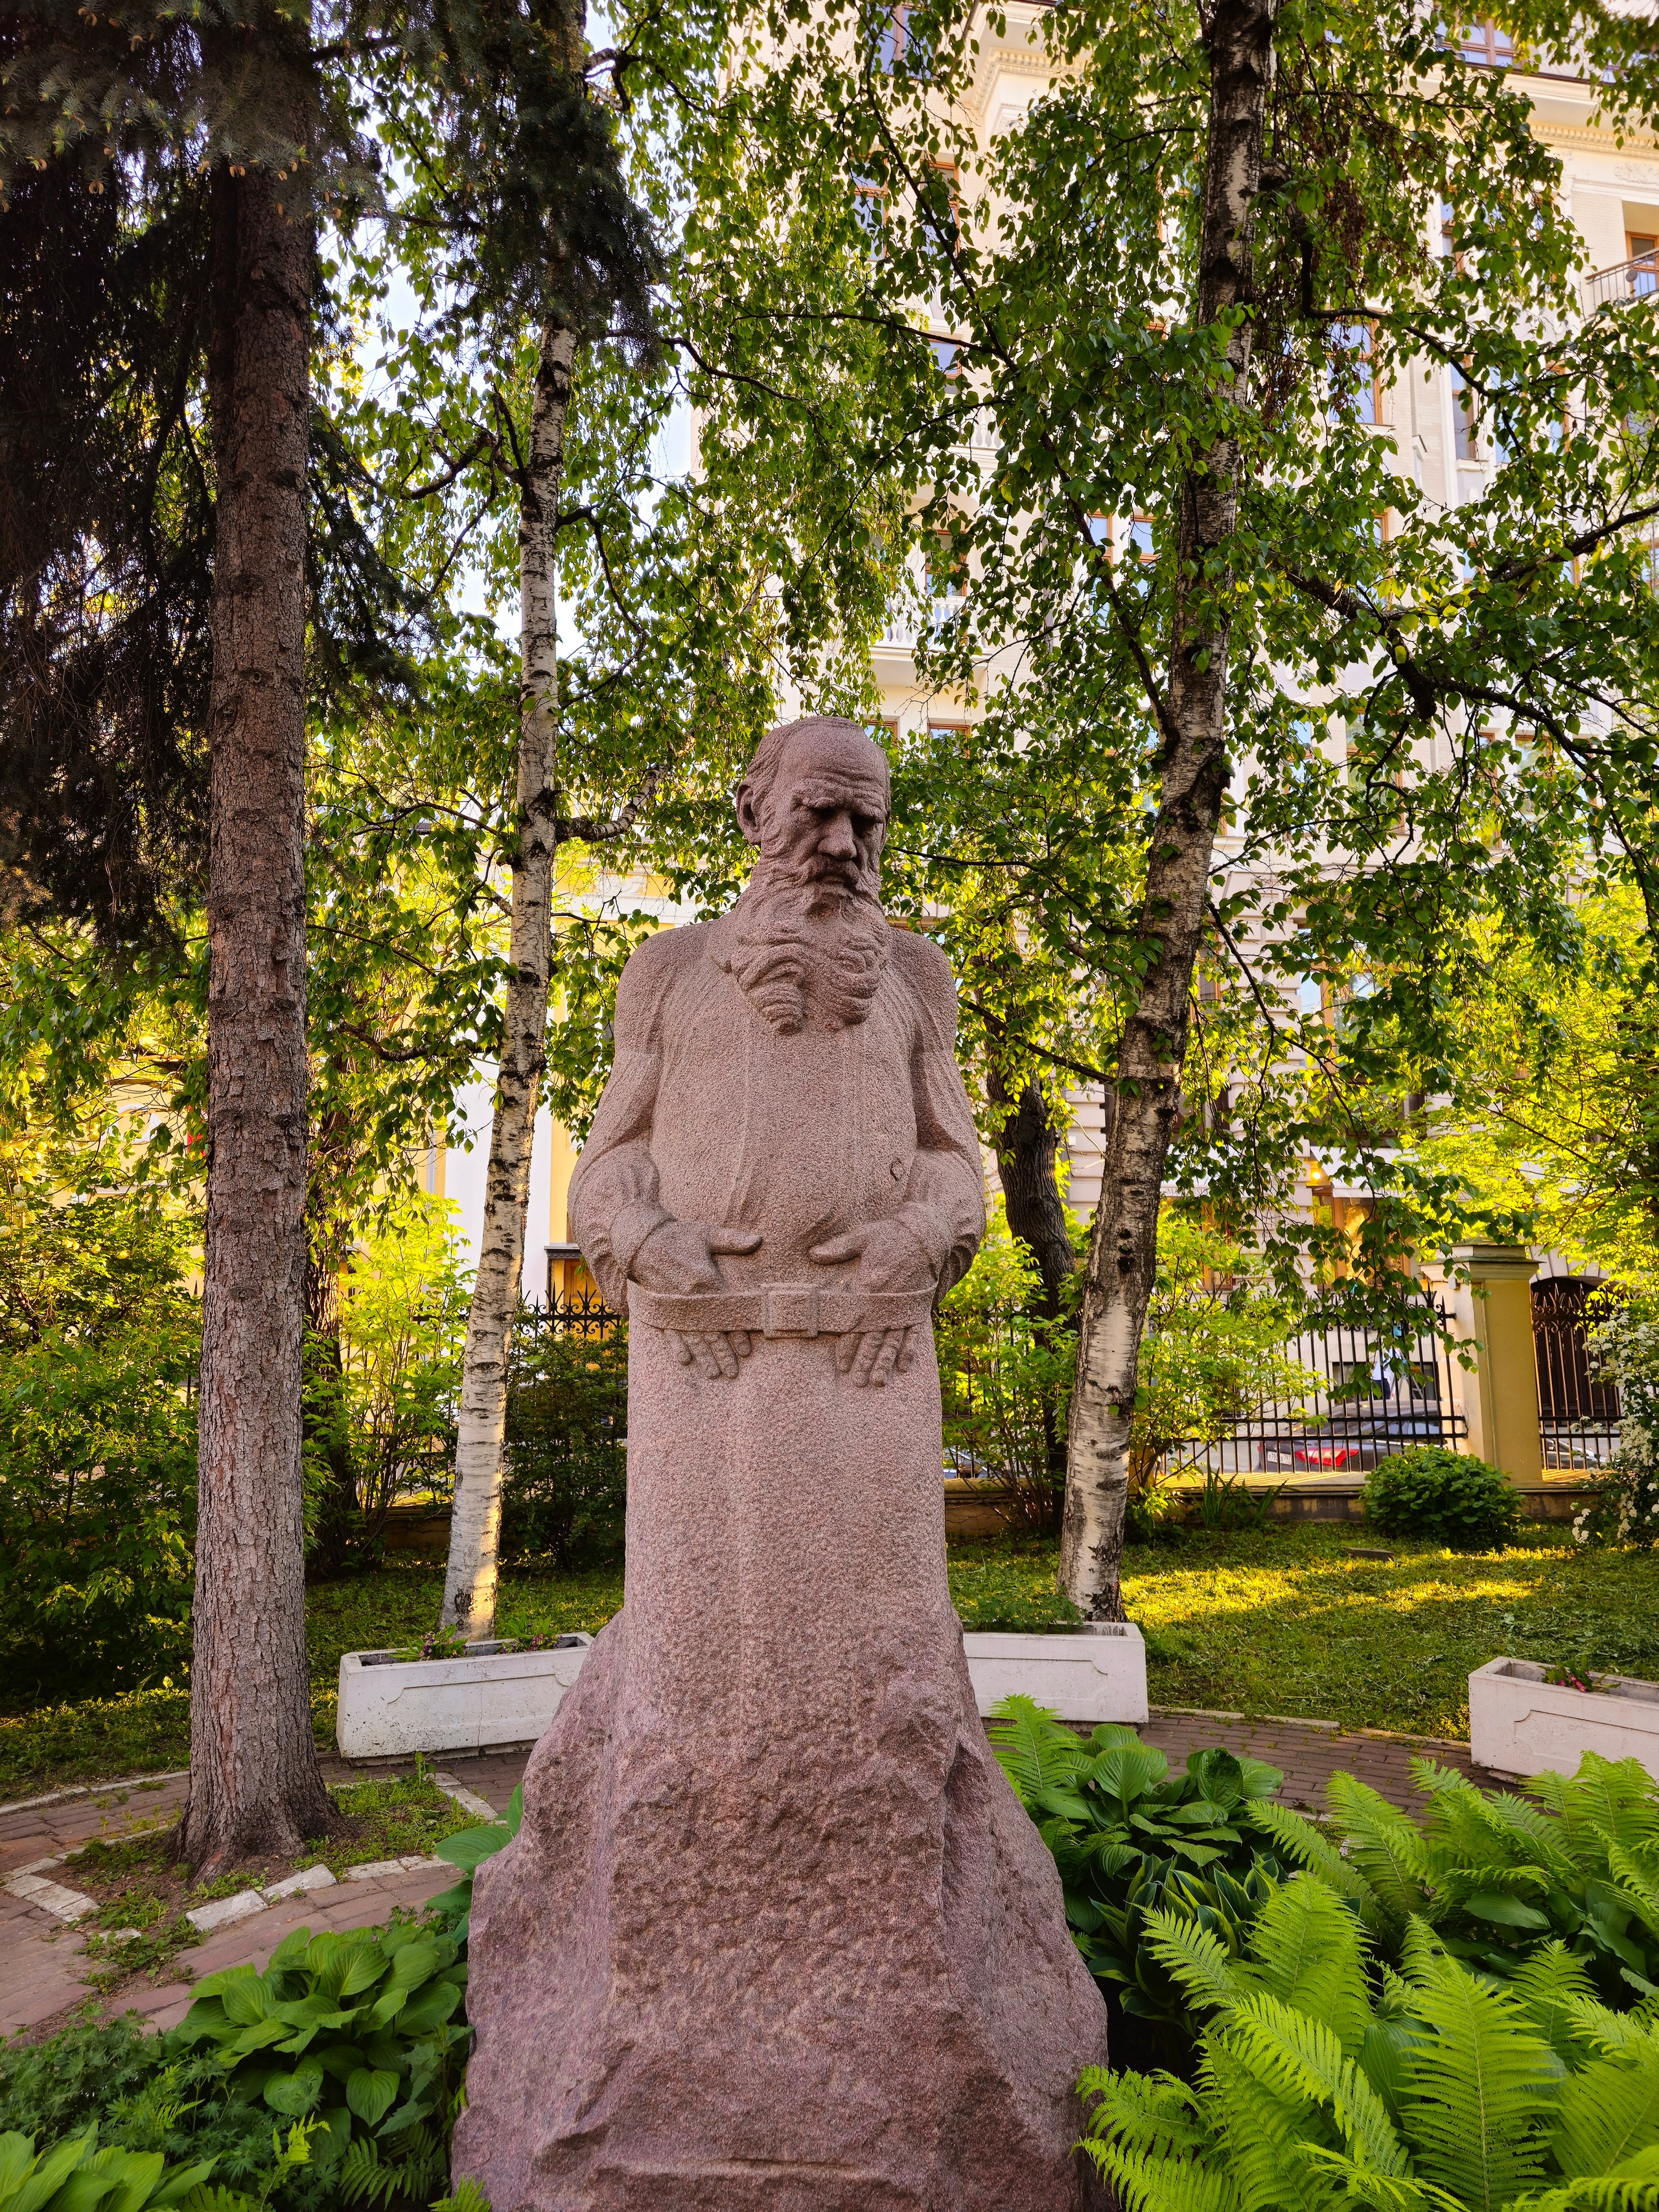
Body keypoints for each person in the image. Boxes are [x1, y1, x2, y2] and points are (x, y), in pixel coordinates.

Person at [456, 717, 1106, 2212]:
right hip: (699, 1372)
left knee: (874, 1682)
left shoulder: (921, 976)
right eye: (816, 816)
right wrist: (643, 1243)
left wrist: (918, 1238)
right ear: (750, 806)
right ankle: (666, 2027)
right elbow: (601, 1164)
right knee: (702, 1684)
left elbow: (955, 1164)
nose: (843, 851)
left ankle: (891, 1998)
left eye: (867, 825)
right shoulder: (667, 973)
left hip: (870, 1374)